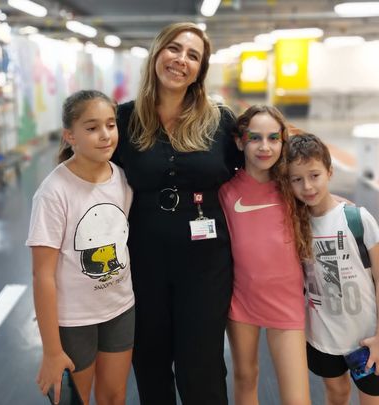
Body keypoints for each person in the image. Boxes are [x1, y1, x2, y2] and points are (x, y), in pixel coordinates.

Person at [112, 22, 241, 404]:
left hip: (206, 265)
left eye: (193, 56)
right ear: (157, 53)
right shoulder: (123, 120)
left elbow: (258, 171)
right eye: (174, 49)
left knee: (200, 364)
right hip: (143, 261)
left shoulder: (220, 121)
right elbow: (90, 176)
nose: (181, 60)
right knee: (149, 361)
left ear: (200, 71)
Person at [27, 90, 135, 405]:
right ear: (69, 136)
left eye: (111, 125)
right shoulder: (54, 192)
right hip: (73, 320)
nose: (105, 135)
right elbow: (42, 276)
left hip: (120, 308)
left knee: (114, 395)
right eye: (91, 128)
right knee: (76, 400)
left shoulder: (123, 180)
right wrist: (51, 350)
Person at [279, 134, 379, 405]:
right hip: (322, 339)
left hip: (366, 341)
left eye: (314, 175)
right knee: (337, 393)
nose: (307, 186)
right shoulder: (295, 224)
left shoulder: (357, 218)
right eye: (297, 179)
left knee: (375, 400)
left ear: (329, 172)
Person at [218, 105, 311, 405]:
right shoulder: (225, 191)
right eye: (255, 138)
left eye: (273, 138)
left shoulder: (292, 188)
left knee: (297, 398)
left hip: (286, 301)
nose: (264, 146)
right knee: (246, 378)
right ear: (239, 141)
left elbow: (324, 202)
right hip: (242, 300)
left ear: (283, 141)